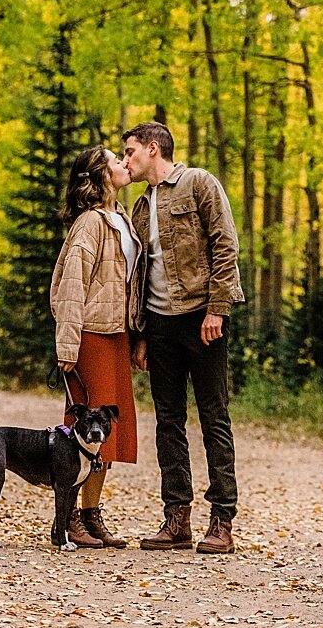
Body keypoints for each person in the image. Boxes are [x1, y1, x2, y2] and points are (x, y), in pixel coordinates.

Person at [121, 121, 244, 554]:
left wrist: (217, 309)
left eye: (131, 151)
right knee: (168, 422)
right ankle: (177, 520)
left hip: (201, 319)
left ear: (154, 149)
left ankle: (222, 520)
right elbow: (137, 276)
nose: (126, 160)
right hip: (159, 326)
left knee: (214, 418)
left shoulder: (198, 184)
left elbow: (225, 246)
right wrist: (139, 335)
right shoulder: (139, 206)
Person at [48, 145, 140, 549]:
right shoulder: (89, 223)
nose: (123, 163)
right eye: (114, 160)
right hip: (90, 336)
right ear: (98, 176)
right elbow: (70, 288)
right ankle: (68, 518)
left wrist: (137, 338)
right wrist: (67, 346)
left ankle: (90, 514)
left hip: (116, 333)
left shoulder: (121, 219)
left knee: (109, 433)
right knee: (86, 428)